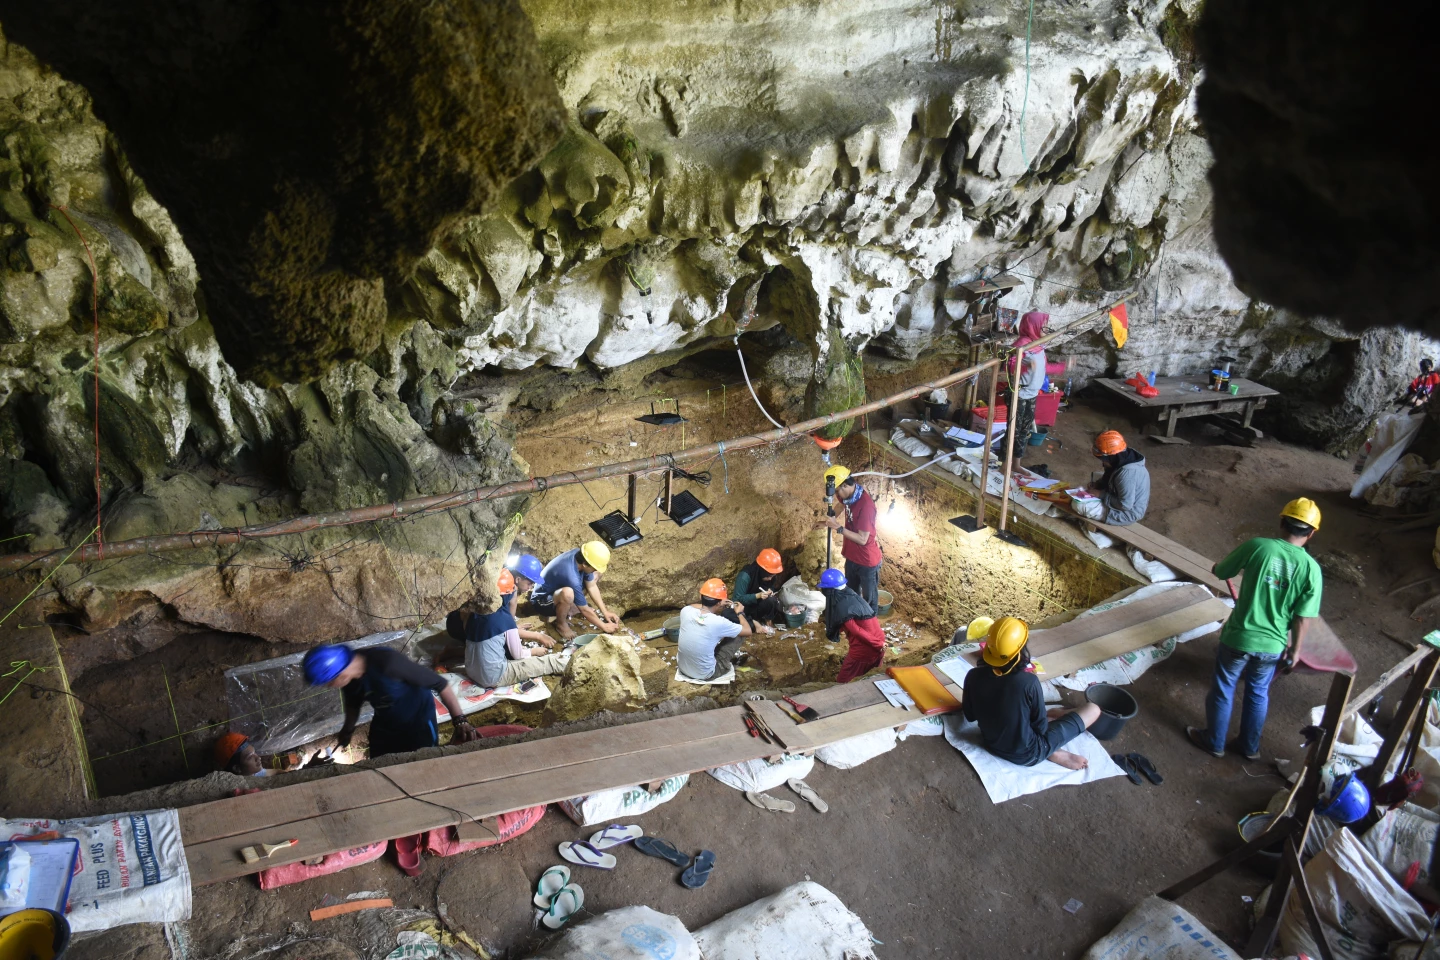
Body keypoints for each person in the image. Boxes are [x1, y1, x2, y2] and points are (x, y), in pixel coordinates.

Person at [1188, 498, 1323, 761]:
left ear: (1282, 522)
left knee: (1224, 687)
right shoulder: (1312, 570)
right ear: (1312, 533)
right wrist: (1295, 651)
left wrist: (1218, 568)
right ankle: (1249, 747)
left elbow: (1221, 570)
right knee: (1258, 692)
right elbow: (1303, 618)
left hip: (1239, 638)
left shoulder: (1258, 546)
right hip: (1273, 646)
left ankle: (1214, 741)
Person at [962, 616, 1102, 770]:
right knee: (1093, 709)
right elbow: (1041, 728)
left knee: (1024, 716)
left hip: (991, 742)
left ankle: (1053, 736)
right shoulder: (1029, 682)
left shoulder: (973, 675)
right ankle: (1053, 751)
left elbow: (970, 716)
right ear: (1020, 650)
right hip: (1029, 754)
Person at [303, 643, 478, 758]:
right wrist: (347, 730)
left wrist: (460, 720)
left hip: (417, 723)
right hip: (385, 721)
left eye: (328, 683)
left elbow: (441, 684)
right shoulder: (349, 677)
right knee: (379, 764)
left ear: (339, 675)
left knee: (422, 765)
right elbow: (353, 703)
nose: (329, 687)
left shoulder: (387, 663)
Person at [448, 570, 567, 689]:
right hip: (492, 678)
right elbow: (518, 655)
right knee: (546, 662)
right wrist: (533, 651)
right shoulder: (504, 618)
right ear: (509, 594)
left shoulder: (473, 613)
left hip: (471, 671)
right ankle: (569, 663)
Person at [818, 465, 882, 611]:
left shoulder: (865, 506)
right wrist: (826, 522)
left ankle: (869, 626)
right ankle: (854, 619)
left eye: (837, 491)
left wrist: (838, 528)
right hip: (852, 556)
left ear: (845, 485)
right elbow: (840, 506)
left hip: (867, 561)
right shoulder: (846, 495)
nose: (837, 495)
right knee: (851, 592)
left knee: (869, 599)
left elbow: (862, 539)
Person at [529, 541, 620, 640]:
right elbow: (584, 610)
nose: (594, 569)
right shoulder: (571, 576)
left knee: (597, 574)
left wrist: (605, 612)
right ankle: (561, 624)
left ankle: (570, 606)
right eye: (593, 567)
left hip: (557, 590)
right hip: (542, 601)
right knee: (567, 593)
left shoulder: (581, 556)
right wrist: (604, 626)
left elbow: (591, 586)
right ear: (585, 564)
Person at [993, 311, 1049, 460]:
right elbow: (1009, 365)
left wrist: (1062, 366)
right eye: (1043, 327)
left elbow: (1042, 368)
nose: (1046, 330)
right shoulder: (1022, 344)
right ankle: (1005, 463)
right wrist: (1025, 365)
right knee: (1014, 430)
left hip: (1032, 393)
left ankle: (1016, 463)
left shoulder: (1039, 345)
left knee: (1025, 430)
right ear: (1033, 326)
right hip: (1019, 394)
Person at [820, 567, 887, 682]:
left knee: (843, 679)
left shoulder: (843, 606)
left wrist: (878, 644)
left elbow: (857, 631)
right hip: (876, 638)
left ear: (830, 590)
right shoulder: (849, 595)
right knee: (868, 677)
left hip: (867, 646)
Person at [677, 579, 751, 681]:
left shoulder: (685, 611)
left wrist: (718, 603)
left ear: (700, 596)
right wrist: (739, 613)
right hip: (705, 674)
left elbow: (693, 606)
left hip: (683, 668)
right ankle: (722, 665)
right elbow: (748, 631)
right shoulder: (719, 622)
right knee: (739, 634)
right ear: (718, 603)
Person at [1081, 430, 1150, 525]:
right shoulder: (1120, 456)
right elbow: (1109, 474)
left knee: (1079, 505)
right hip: (1122, 496)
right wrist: (1099, 484)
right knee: (1097, 475)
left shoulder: (1127, 474)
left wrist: (1100, 494)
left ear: (1109, 457)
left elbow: (1125, 505)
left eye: (1103, 460)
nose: (1102, 463)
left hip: (1125, 514)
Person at [733, 548, 785, 634]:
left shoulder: (771, 575)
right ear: (762, 570)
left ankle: (767, 622)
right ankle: (753, 622)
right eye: (768, 576)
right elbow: (737, 599)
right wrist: (757, 596)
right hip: (744, 609)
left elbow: (771, 587)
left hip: (758, 606)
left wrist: (770, 591)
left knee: (774, 601)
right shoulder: (745, 576)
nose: (770, 579)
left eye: (773, 576)